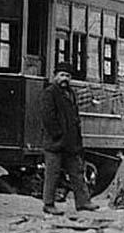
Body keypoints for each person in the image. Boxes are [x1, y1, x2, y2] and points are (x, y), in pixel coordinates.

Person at [41, 61, 97, 215]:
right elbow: (48, 117)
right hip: (55, 142)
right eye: (62, 75)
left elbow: (74, 118)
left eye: (67, 76)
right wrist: (58, 134)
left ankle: (83, 202)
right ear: (55, 76)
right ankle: (48, 204)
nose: (65, 78)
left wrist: (76, 139)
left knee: (77, 172)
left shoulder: (71, 93)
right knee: (52, 174)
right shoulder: (50, 92)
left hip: (71, 142)